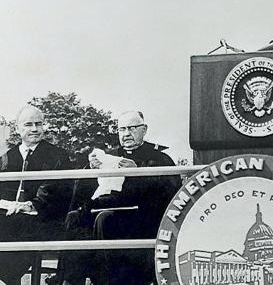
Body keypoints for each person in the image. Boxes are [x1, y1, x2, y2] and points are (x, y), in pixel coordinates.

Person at [61, 111, 181, 285]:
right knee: (74, 218)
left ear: (144, 130)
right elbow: (84, 191)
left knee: (105, 219)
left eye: (132, 128)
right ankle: (71, 280)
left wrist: (138, 171)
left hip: (143, 218)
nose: (126, 134)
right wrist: (91, 170)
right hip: (106, 208)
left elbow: (169, 192)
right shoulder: (110, 155)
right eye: (122, 129)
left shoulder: (159, 157)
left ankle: (107, 281)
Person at [0, 105, 72, 285]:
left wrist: (29, 205)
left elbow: (55, 192)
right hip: (8, 216)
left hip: (43, 218)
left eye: (39, 124)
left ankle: (9, 278)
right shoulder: (6, 157)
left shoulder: (58, 156)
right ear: (18, 128)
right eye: (29, 124)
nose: (34, 129)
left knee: (16, 226)